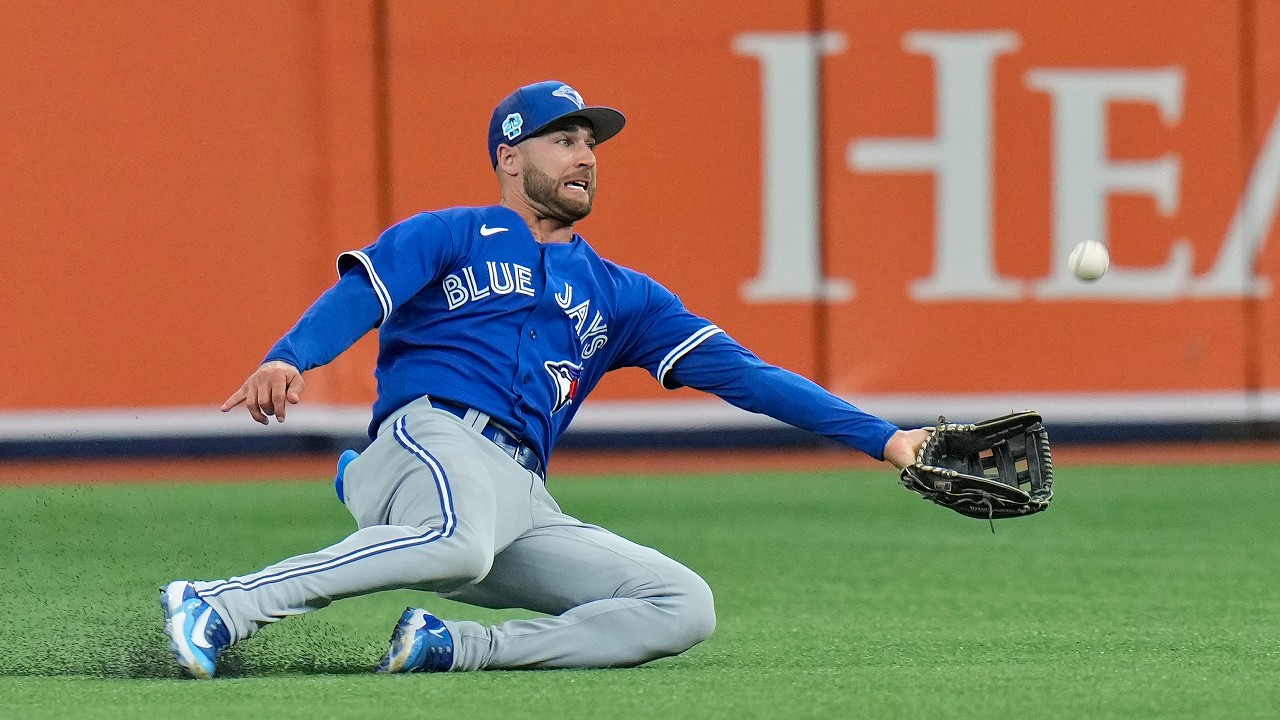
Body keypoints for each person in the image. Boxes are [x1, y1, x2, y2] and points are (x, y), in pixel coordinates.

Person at [161, 80, 931, 679]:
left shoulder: (621, 293)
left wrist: (886, 438)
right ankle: (221, 604)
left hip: (518, 494)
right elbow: (366, 294)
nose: (585, 155)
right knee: (458, 546)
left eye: (589, 144)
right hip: (426, 438)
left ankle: (452, 649)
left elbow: (748, 377)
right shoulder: (454, 232)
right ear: (509, 156)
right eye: (563, 139)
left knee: (681, 605)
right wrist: (293, 356)